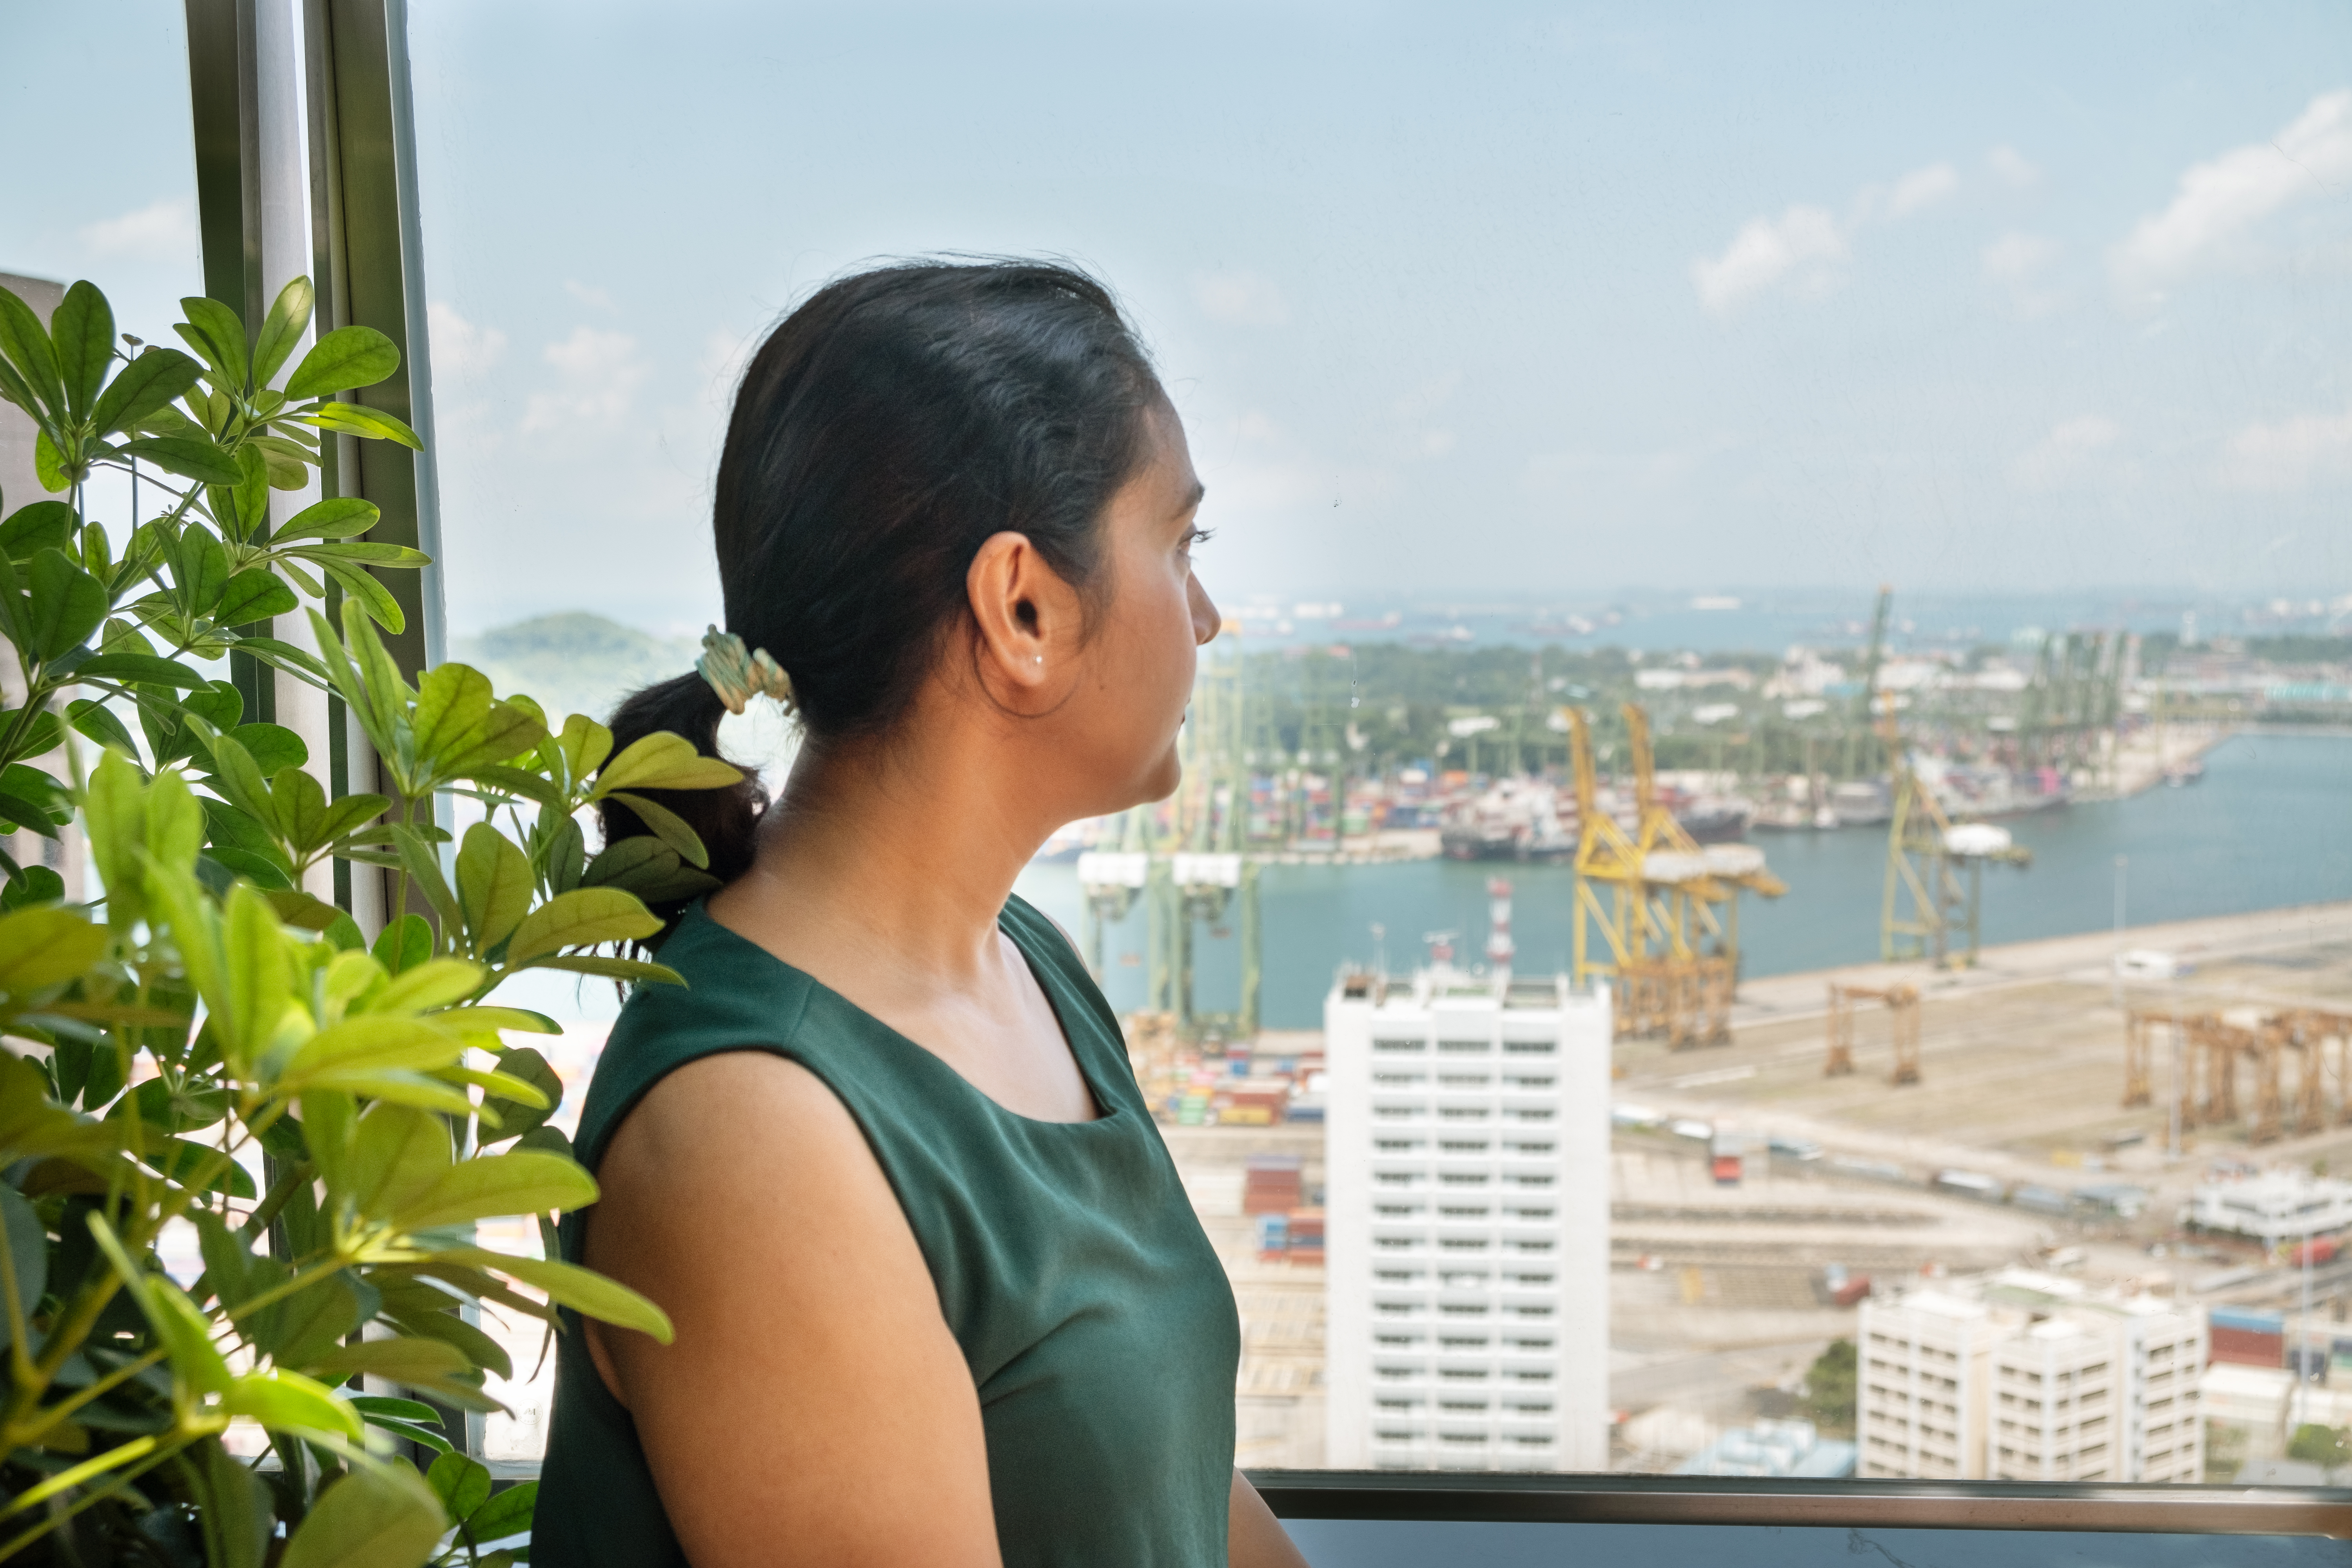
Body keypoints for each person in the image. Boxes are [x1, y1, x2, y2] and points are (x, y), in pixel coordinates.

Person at [533, 260, 1310, 1568]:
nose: (1209, 617)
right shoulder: (756, 1136)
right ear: (1023, 608)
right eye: (1182, 546)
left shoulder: (1028, 970)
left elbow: (1161, 1493)